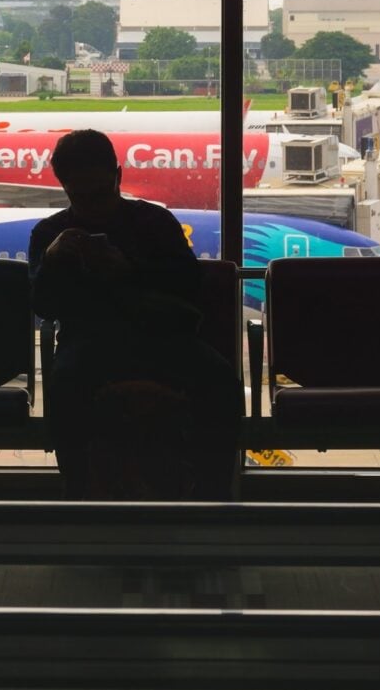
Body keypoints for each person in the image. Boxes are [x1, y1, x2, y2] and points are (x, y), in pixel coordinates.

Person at [27, 129, 239, 500]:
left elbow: (189, 285)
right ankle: (80, 492)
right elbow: (42, 305)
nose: (92, 206)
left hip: (156, 337)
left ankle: (214, 493)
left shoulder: (154, 222)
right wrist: (51, 261)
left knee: (221, 382)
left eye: (100, 193)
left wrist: (128, 269)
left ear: (118, 177)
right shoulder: (54, 235)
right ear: (64, 187)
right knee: (65, 385)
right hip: (109, 342)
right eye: (81, 196)